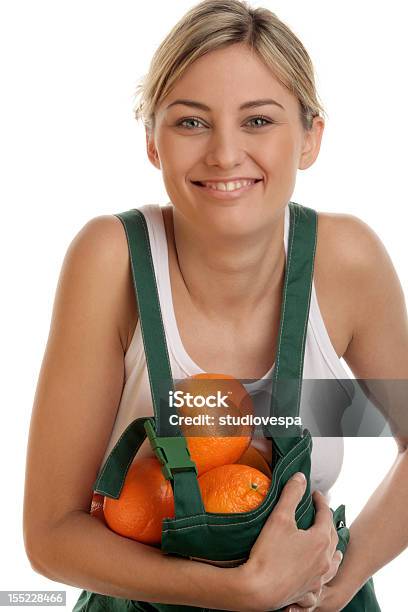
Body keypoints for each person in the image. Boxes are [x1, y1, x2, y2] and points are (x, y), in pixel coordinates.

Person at [23, 1, 408, 611]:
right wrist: (240, 591)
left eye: (258, 121)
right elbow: (50, 535)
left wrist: (338, 582)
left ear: (311, 137)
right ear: (152, 140)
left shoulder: (347, 263)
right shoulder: (112, 261)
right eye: (191, 122)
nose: (225, 154)